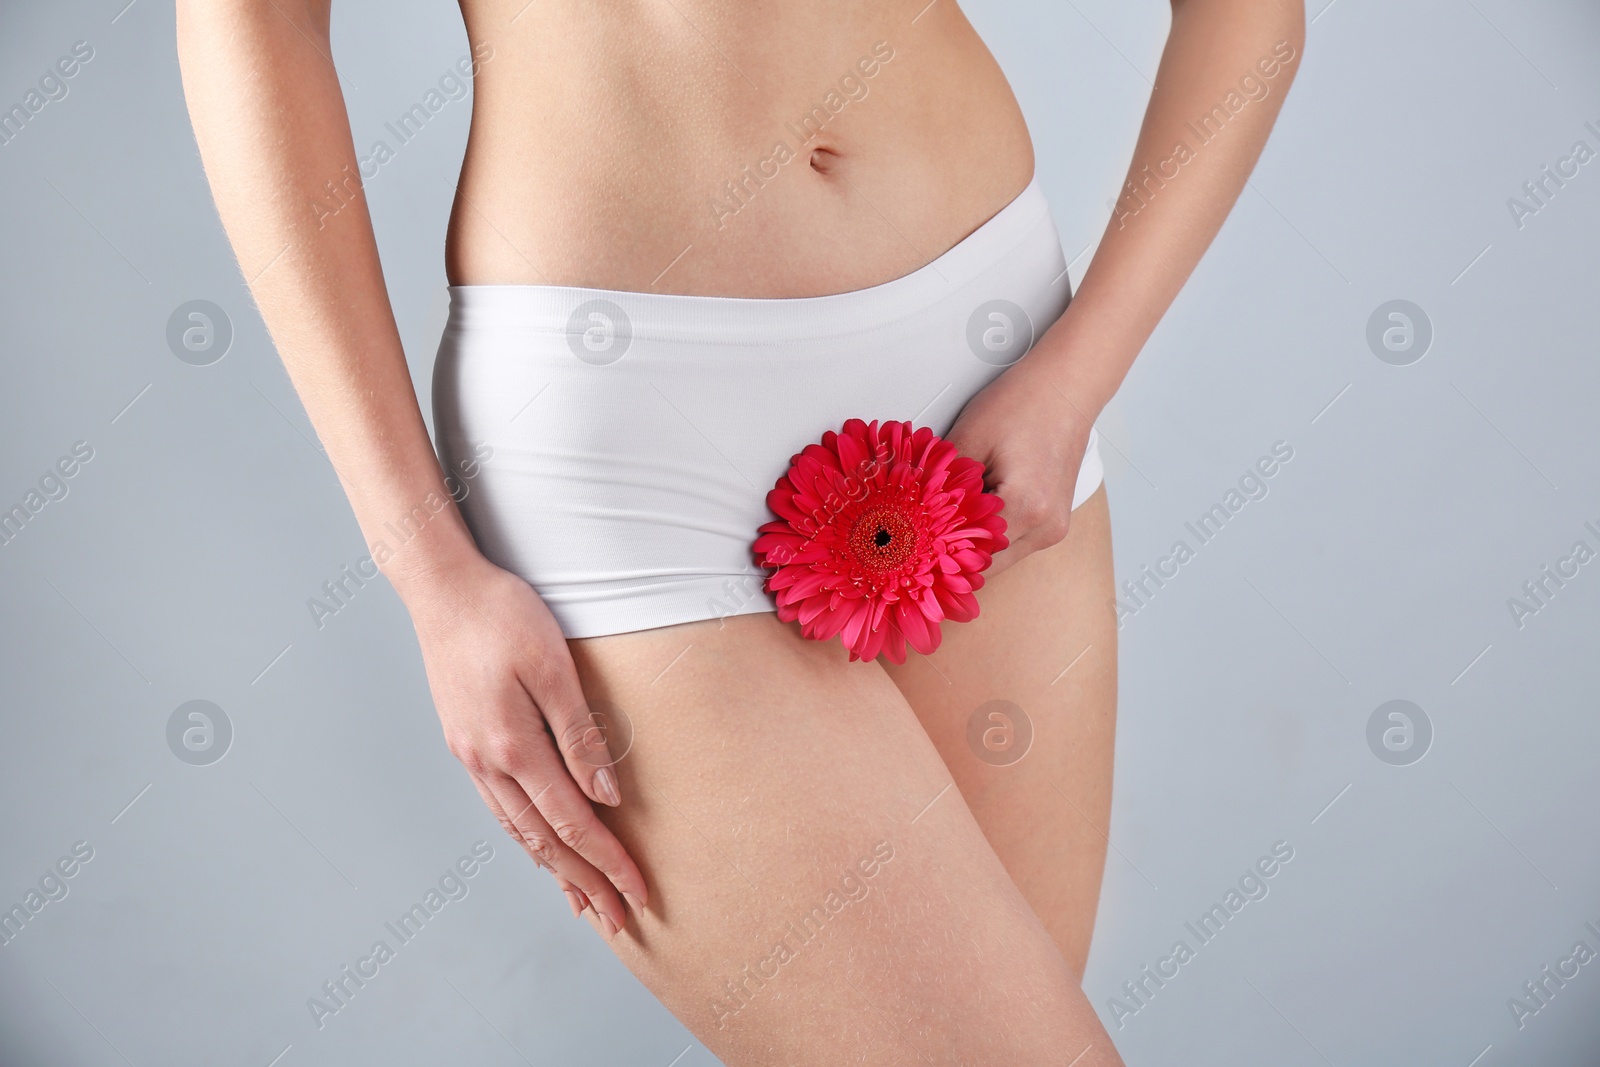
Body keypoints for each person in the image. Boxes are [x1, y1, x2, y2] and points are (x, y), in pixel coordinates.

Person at [177, 0, 1301, 1061]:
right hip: (627, 436)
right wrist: (425, 567)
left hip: (989, 366)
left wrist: (1077, 374)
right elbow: (253, 20)